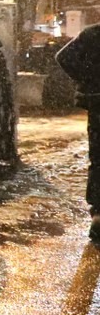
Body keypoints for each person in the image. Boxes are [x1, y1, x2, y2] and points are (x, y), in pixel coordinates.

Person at [56, 22, 100, 241]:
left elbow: (63, 57)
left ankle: (98, 213)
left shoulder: (92, 33)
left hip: (97, 102)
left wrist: (86, 78)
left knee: (98, 158)